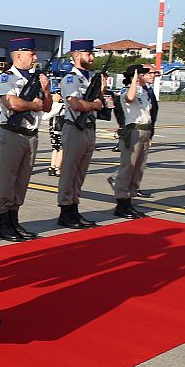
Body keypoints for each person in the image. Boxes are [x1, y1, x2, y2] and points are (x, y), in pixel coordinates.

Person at [0, 38, 52, 241]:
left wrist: (46, 91)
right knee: (7, 179)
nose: (35, 57)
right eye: (31, 54)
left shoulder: (36, 78)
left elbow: (47, 106)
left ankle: (14, 219)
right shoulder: (6, 78)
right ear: (18, 55)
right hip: (12, 133)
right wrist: (33, 105)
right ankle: (4, 222)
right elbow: (11, 103)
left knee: (22, 180)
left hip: (30, 135)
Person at [56, 39, 104, 229]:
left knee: (80, 173)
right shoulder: (71, 78)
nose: (91, 57)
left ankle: (74, 207)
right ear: (76, 56)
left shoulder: (89, 78)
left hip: (89, 128)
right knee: (69, 172)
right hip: (75, 128)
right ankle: (65, 211)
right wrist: (94, 105)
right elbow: (75, 104)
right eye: (88, 54)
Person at [110, 64, 155, 218]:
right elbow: (130, 98)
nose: (147, 76)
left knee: (138, 168)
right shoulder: (127, 92)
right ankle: (121, 202)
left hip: (144, 131)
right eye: (143, 74)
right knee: (128, 167)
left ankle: (129, 200)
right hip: (133, 131)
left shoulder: (144, 92)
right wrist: (134, 79)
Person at [45, 88, 64, 177]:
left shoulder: (52, 105)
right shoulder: (60, 106)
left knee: (55, 148)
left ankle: (52, 166)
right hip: (60, 128)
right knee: (61, 148)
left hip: (53, 128)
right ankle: (58, 168)